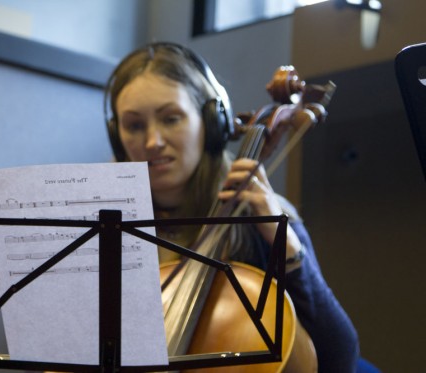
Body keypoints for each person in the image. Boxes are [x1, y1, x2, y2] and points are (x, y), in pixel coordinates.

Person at [103, 42, 361, 372]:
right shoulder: (104, 223)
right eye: (135, 125)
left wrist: (284, 240)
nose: (153, 141)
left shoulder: (261, 216)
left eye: (171, 118)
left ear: (210, 122)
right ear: (116, 135)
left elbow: (339, 358)